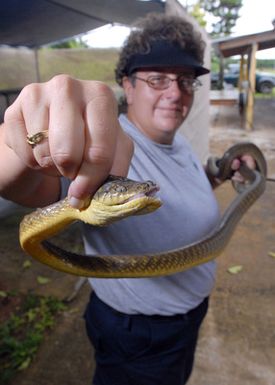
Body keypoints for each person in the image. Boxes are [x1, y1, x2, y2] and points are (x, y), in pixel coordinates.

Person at [0, 13, 255, 385]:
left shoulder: (176, 143)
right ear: (127, 85)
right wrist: (19, 137)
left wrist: (217, 175)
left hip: (188, 316)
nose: (175, 92)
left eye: (186, 81)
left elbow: (179, 194)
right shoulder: (102, 148)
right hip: (138, 337)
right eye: (158, 79)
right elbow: (18, 180)